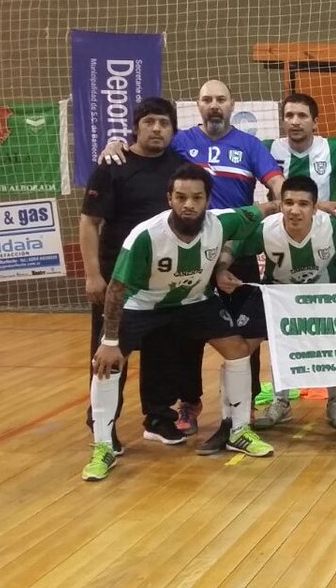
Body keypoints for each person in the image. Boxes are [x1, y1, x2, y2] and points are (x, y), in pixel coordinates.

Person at [84, 165, 277, 480]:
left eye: (197, 197)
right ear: (169, 199)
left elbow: (264, 208)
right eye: (181, 197)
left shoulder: (221, 223)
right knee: (108, 362)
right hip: (143, 303)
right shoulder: (145, 236)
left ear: (207, 200)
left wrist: (312, 205)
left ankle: (239, 429)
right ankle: (103, 446)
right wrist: (109, 341)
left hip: (194, 302)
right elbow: (117, 290)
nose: (189, 204)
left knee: (238, 349)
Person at [216, 176, 336, 431]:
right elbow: (232, 245)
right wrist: (222, 269)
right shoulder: (266, 229)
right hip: (277, 295)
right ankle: (274, 404)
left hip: (321, 295)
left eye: (303, 204)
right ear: (281, 205)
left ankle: (335, 400)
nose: (294, 210)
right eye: (288, 203)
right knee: (242, 347)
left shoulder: (333, 224)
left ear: (316, 207)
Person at [79, 98, 190, 453]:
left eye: (164, 123)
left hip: (164, 281)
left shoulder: (180, 167)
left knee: (164, 352)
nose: (157, 129)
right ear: (136, 127)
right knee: (111, 353)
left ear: (173, 130)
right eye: (150, 122)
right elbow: (89, 222)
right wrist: (93, 275)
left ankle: (158, 418)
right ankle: (103, 422)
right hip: (118, 280)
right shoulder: (113, 166)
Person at [259, 92, 336, 428]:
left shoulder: (335, 149)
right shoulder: (265, 149)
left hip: (322, 247)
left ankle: (335, 400)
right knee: (281, 333)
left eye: (302, 115)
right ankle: (281, 399)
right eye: (289, 115)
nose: (294, 121)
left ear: (315, 121)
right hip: (282, 246)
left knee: (330, 332)